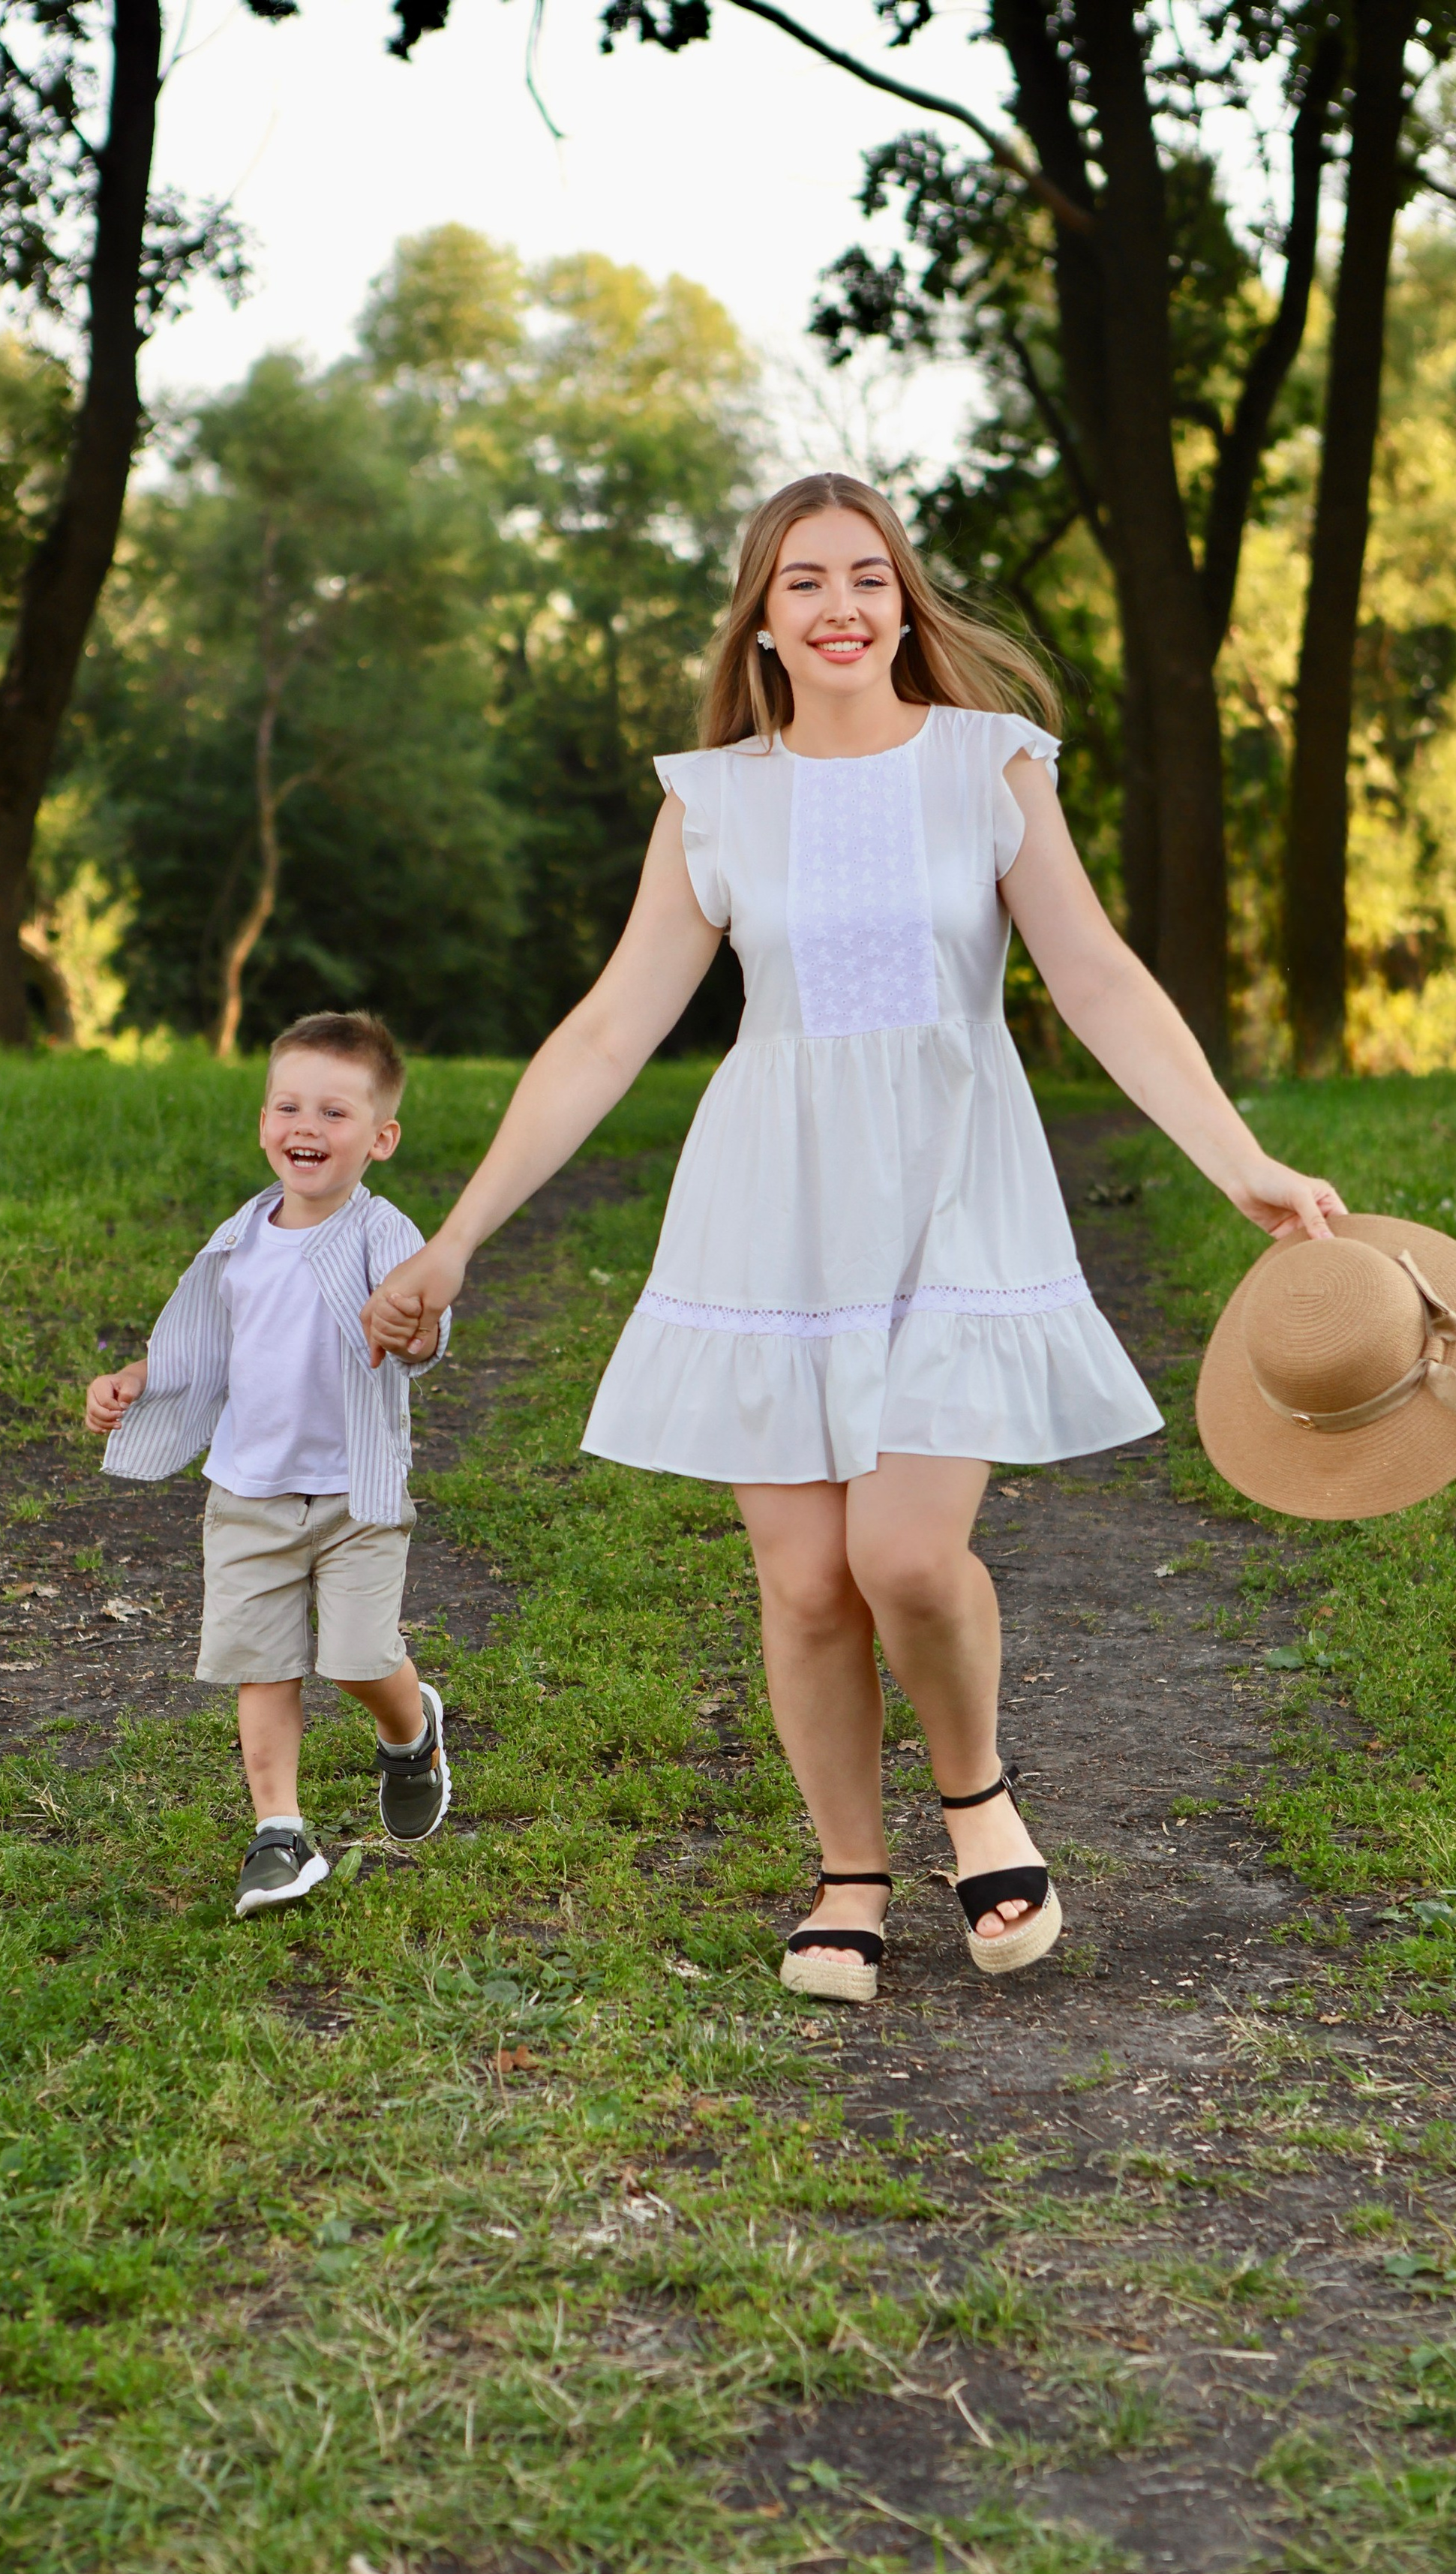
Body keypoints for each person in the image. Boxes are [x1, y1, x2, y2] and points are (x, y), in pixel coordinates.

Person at [364, 473, 1342, 2005]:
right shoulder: (714, 797)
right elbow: (614, 1023)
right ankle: (846, 1869)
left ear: (904, 602)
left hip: (960, 1179)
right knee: (806, 1578)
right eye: (803, 581)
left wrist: (1235, 1161)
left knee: (900, 1550)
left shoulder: (986, 766)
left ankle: (973, 1794)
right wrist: (459, 1235)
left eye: (867, 578)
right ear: (758, 618)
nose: (838, 606)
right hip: (778, 1197)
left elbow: (1091, 977)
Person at [86, 1010, 452, 1915]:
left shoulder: (380, 1232)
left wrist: (415, 1327)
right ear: (262, 1123)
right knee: (263, 1661)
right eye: (288, 1106)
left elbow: (423, 1330)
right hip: (248, 1492)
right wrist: (138, 1377)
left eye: (334, 1112)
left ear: (381, 1138)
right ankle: (278, 1834)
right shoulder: (240, 1238)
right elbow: (203, 1344)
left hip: (353, 1495)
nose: (306, 1127)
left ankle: (412, 1735)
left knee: (360, 1659)